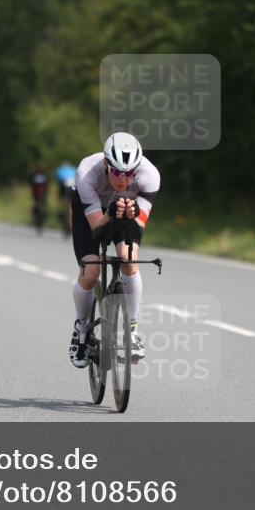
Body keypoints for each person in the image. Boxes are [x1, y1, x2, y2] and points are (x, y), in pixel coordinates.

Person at [68, 132, 160, 368]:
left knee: (129, 259)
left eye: (129, 173)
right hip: (92, 213)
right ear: (106, 164)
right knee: (90, 271)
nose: (123, 179)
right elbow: (97, 229)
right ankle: (81, 329)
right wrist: (110, 213)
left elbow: (139, 226)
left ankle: (132, 332)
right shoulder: (87, 172)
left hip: (125, 211)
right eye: (117, 172)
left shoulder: (150, 176)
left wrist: (132, 214)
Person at [55, 161, 76, 236]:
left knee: (64, 203)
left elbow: (59, 182)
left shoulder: (60, 170)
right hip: (73, 187)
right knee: (70, 206)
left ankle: (62, 212)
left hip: (64, 187)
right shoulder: (73, 169)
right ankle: (70, 224)